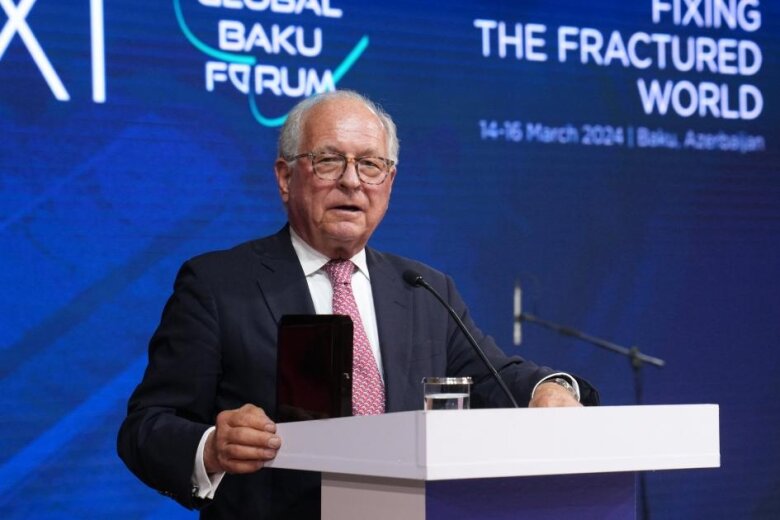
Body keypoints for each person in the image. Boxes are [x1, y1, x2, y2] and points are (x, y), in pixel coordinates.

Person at [117, 90, 598, 519]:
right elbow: (147, 426)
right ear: (285, 177)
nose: (352, 181)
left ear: (390, 183)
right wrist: (210, 448)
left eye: (370, 165)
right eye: (328, 160)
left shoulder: (424, 289)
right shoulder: (218, 284)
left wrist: (547, 389)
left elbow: (495, 377)